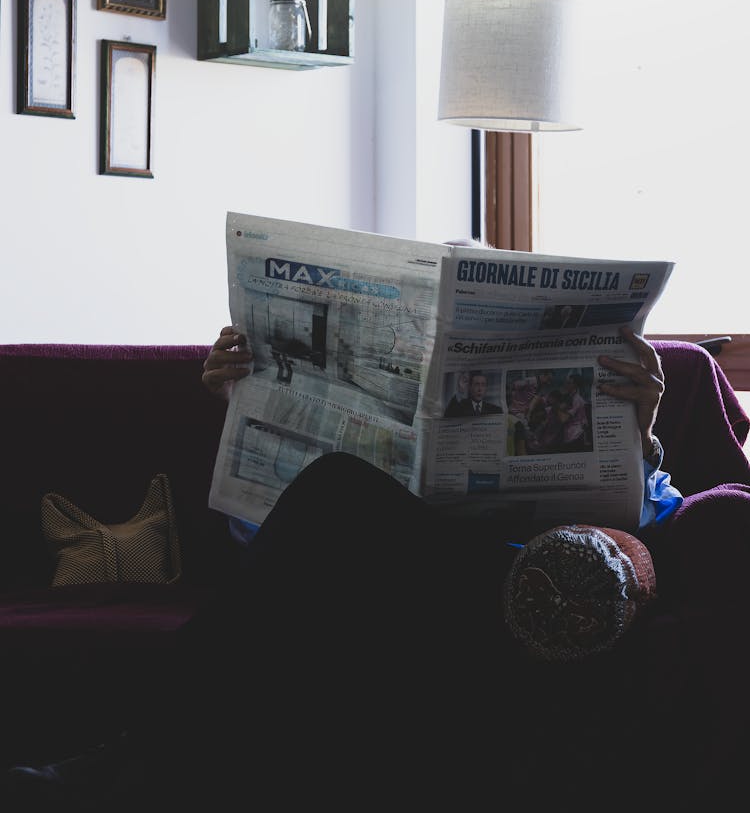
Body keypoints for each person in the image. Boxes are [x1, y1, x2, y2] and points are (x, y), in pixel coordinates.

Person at [4, 323, 682, 809]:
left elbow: (651, 534)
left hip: (504, 587)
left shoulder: (633, 456)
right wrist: (251, 403)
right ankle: (136, 764)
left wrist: (641, 435)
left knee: (335, 491)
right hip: (386, 576)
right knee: (335, 496)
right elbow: (265, 541)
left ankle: (127, 760)